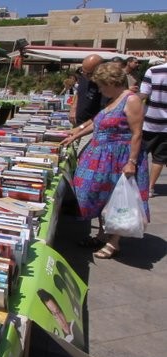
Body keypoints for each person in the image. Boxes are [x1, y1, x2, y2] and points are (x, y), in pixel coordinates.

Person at [61, 62, 150, 259]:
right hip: (102, 156)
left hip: (119, 157)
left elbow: (137, 133)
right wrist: (76, 134)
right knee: (97, 195)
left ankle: (114, 241)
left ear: (111, 82)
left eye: (101, 86)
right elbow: (97, 122)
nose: (100, 90)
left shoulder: (131, 100)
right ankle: (102, 234)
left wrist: (131, 162)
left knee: (116, 198)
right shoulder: (114, 99)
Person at [139, 62, 167, 198]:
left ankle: (138, 185)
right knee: (159, 158)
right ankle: (150, 188)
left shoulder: (153, 71)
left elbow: (144, 94)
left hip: (149, 121)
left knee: (140, 154)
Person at [68, 54, 106, 128]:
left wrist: (81, 128)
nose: (85, 75)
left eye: (89, 74)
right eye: (82, 71)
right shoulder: (84, 75)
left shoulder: (104, 85)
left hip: (90, 126)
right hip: (78, 123)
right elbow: (79, 92)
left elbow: (102, 114)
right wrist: (73, 107)